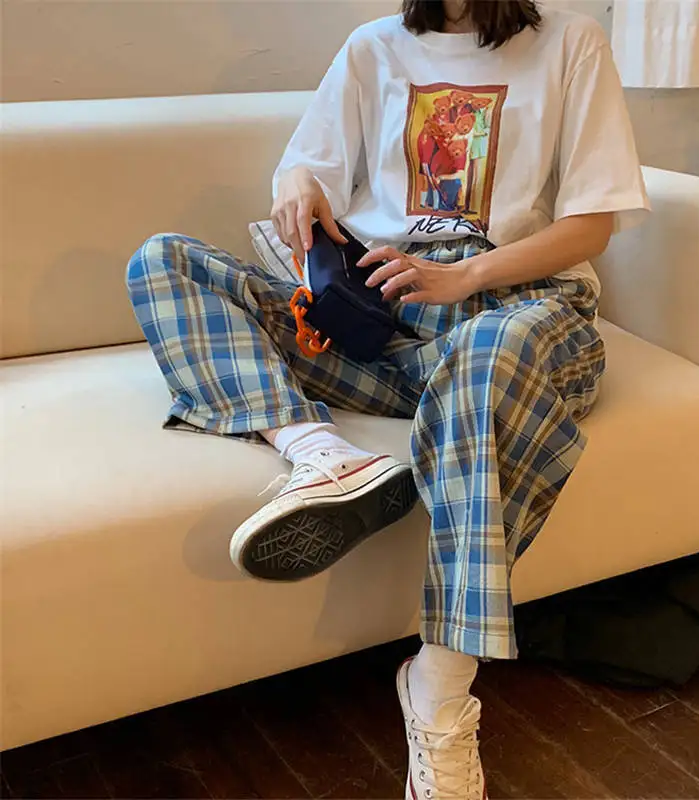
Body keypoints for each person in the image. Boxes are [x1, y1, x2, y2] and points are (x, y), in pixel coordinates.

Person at [126, 0, 649, 796]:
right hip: (383, 330)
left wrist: (465, 275)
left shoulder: (571, 42)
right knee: (165, 261)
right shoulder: (372, 47)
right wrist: (297, 185)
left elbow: (592, 226)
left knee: (488, 354)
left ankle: (439, 688)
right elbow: (307, 170)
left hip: (517, 318)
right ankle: (323, 457)